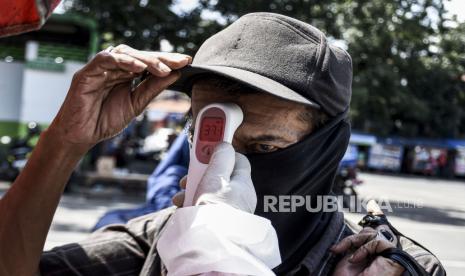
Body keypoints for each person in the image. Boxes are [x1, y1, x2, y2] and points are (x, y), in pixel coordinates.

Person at [0, 12, 444, 275]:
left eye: (265, 148)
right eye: (211, 142)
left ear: (328, 147)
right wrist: (65, 141)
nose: (227, 170)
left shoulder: (383, 266)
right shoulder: (161, 241)